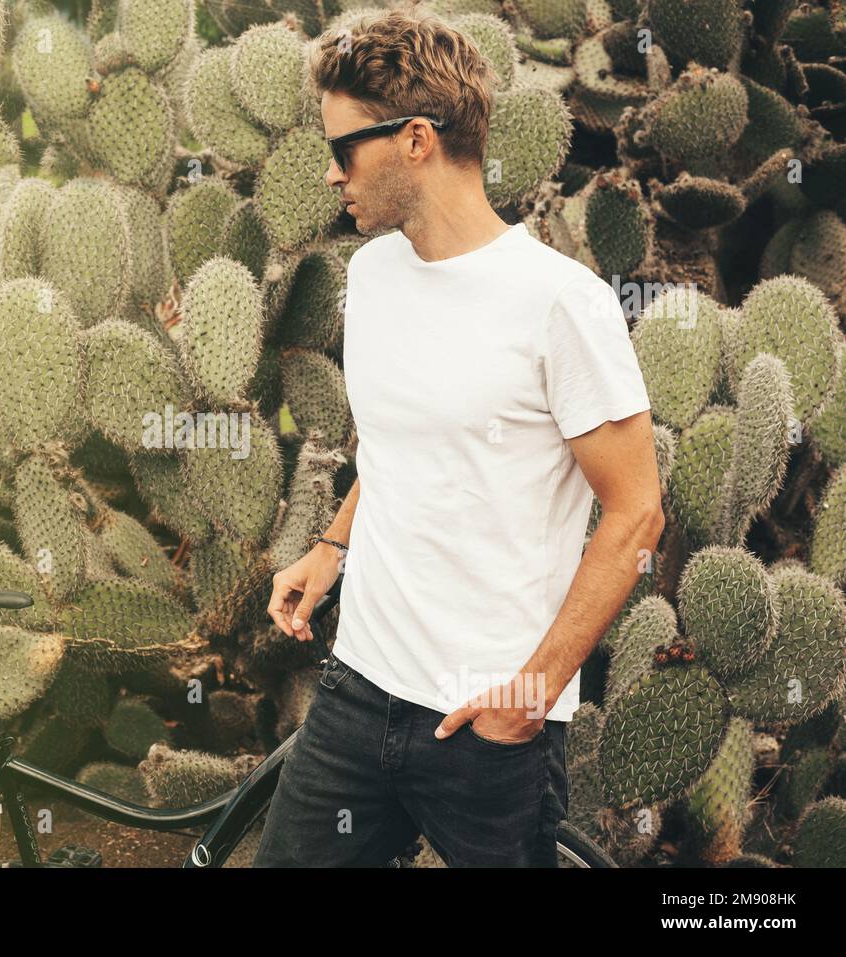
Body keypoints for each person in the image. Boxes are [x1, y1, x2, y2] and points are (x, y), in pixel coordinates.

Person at [254, 10, 665, 867]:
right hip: (356, 694)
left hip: (485, 728)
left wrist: (535, 690)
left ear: (414, 139)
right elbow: (400, 448)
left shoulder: (561, 304)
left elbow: (636, 515)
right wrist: (329, 550)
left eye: (342, 150)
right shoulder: (370, 276)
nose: (330, 176)